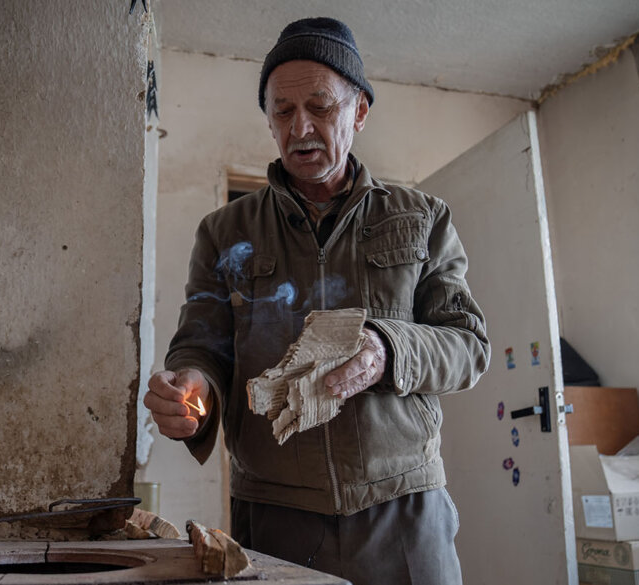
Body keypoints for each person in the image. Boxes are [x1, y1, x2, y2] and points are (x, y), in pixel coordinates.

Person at [144, 16, 490, 585]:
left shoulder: (422, 217)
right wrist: (191, 387)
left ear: (359, 111)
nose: (300, 126)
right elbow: (201, 345)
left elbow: (469, 346)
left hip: (402, 509)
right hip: (277, 517)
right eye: (282, 111)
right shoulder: (224, 231)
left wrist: (387, 348)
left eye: (320, 107)